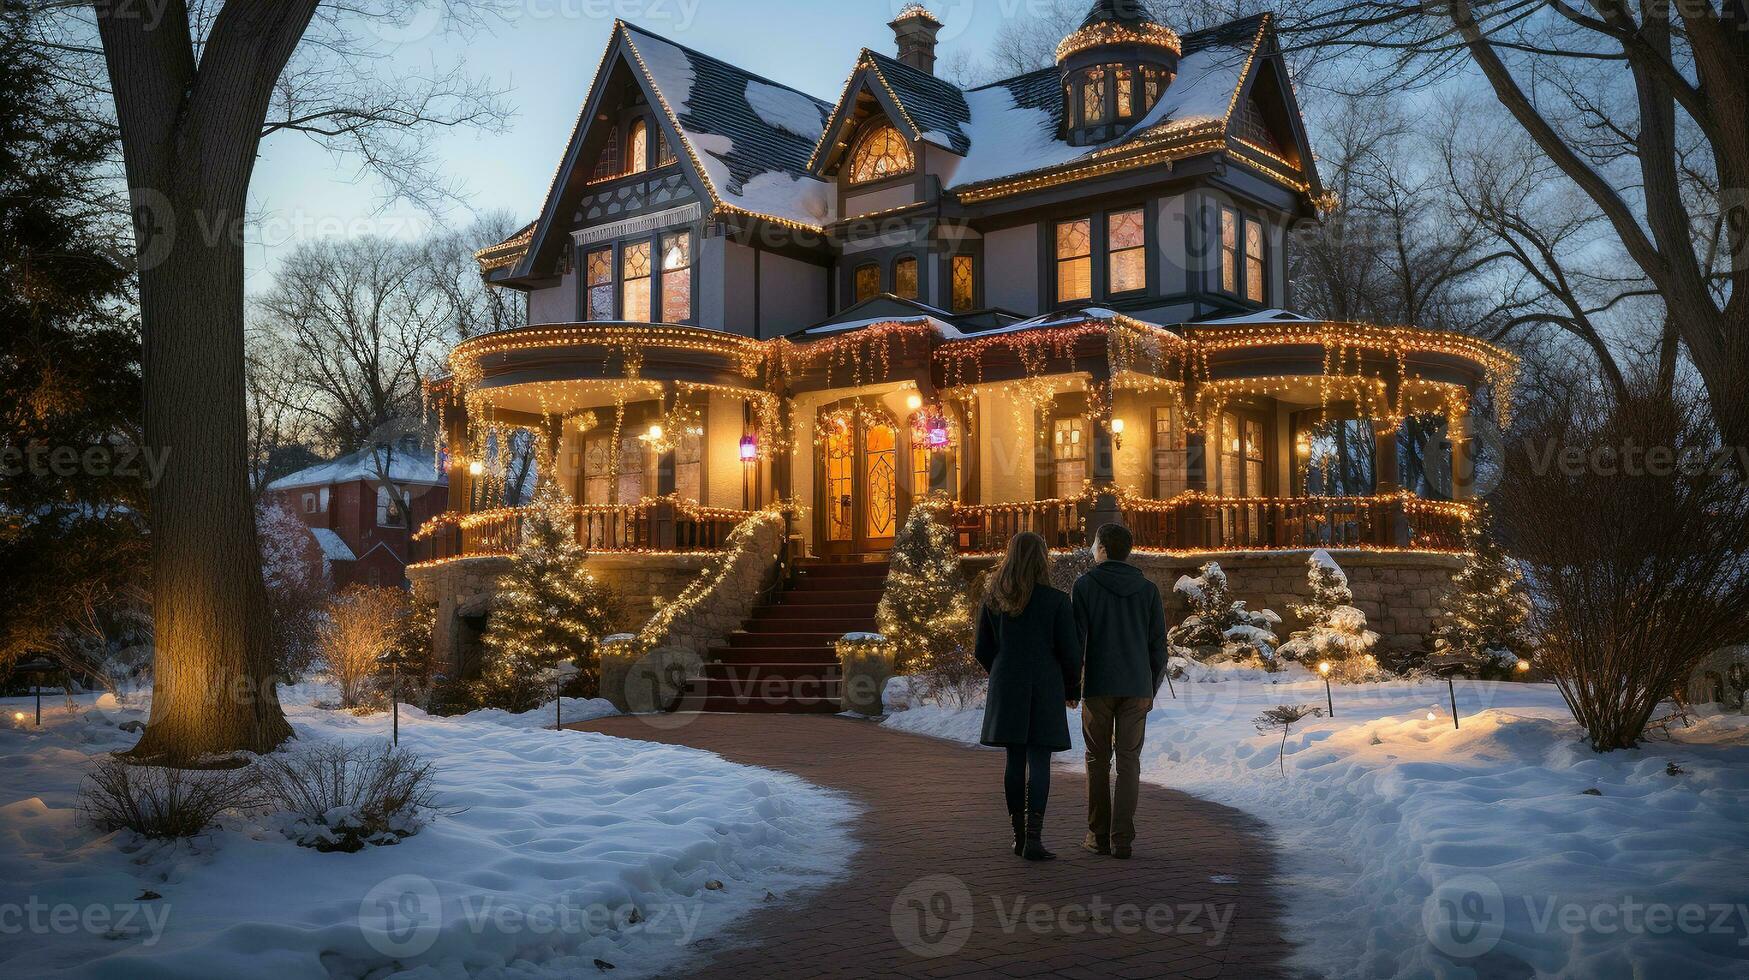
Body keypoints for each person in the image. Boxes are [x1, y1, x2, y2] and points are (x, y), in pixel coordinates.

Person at [974, 531, 1083, 861]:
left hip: (1008, 683)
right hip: (1044, 684)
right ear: (1042, 558)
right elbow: (1070, 651)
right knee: (1039, 760)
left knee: (1014, 759)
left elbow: (982, 648)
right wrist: (1070, 689)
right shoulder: (1056, 601)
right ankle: (1034, 837)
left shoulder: (994, 600)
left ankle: (1018, 835)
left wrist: (1002, 669)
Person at [1072, 522, 1167, 859]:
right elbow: (1159, 646)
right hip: (1137, 686)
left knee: (1097, 760)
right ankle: (1122, 838)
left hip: (1098, 686)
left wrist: (1072, 684)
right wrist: (1150, 687)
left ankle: (1097, 835)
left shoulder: (1084, 587)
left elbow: (1076, 641)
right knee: (1129, 762)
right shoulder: (1148, 590)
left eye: (1094, 542)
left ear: (1102, 549)